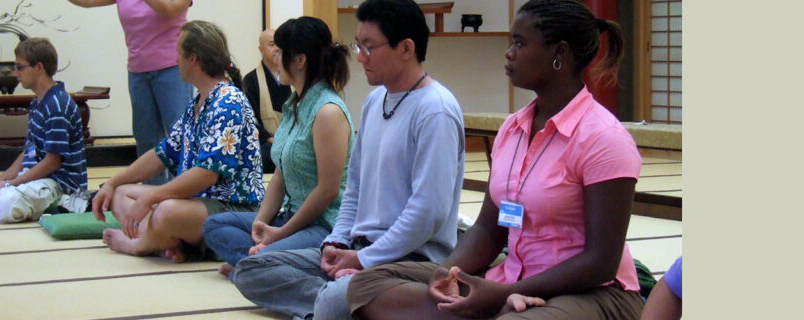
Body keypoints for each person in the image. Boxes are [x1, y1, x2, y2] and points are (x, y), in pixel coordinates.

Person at [346, 1, 645, 319]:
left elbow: (601, 261)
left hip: (590, 293)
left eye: (519, 43)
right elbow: (489, 229)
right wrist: (445, 271)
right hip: (510, 279)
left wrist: (505, 293)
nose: (509, 53)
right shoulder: (512, 129)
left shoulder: (604, 138)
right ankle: (488, 308)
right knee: (367, 284)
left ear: (559, 53)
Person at [230, 1, 467, 319]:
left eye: (369, 47)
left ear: (406, 48)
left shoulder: (435, 109)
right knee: (250, 270)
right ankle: (354, 301)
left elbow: (428, 213)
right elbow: (353, 187)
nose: (359, 56)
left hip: (411, 259)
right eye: (359, 45)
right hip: (361, 249)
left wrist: (364, 260)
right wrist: (337, 242)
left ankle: (345, 299)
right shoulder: (374, 101)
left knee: (333, 301)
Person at [91, 20, 264, 263]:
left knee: (165, 211)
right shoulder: (198, 102)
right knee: (121, 194)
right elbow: (162, 154)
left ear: (193, 59)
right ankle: (166, 243)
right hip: (197, 204)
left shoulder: (228, 101)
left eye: (177, 53)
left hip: (232, 208)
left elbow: (206, 175)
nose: (175, 59)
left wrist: (153, 197)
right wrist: (111, 183)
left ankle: (140, 244)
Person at [202, 17, 355, 278]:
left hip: (323, 226)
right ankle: (259, 263)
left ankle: (260, 263)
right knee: (213, 226)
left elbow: (327, 191)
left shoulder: (328, 111)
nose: (276, 56)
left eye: (281, 50)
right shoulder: (295, 102)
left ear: (299, 60)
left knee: (262, 258)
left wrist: (281, 234)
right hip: (291, 216)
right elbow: (281, 175)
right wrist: (262, 225)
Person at [0, 38, 90, 224]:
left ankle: (63, 204)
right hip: (33, 180)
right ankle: (1, 201)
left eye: (19, 67)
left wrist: (9, 186)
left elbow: (53, 162)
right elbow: (28, 152)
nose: (15, 73)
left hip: (58, 185)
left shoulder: (57, 105)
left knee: (8, 202)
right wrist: (0, 181)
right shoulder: (37, 103)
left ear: (39, 68)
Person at [67, 0, 195, 185]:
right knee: (146, 138)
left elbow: (170, 10)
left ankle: (182, 195)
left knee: (180, 135)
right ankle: (152, 195)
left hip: (174, 68)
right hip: (138, 71)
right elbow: (88, 2)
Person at [242, 29, 293, 173]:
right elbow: (249, 119)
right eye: (271, 44)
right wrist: (269, 138)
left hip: (292, 141)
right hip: (267, 142)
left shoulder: (293, 77)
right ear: (261, 49)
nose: (277, 48)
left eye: (279, 44)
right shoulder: (251, 80)